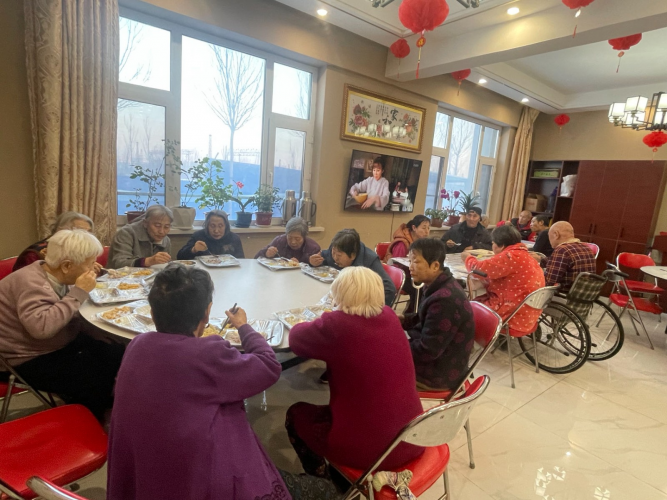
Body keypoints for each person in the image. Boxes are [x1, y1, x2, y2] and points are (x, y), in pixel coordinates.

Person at [107, 264, 288, 500]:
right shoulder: (207, 353)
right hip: (192, 479)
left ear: (152, 313)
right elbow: (269, 366)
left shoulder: (136, 345)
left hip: (143, 474)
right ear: (207, 312)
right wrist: (243, 326)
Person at [286, 267, 424, 478]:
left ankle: (324, 479)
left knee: (296, 415)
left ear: (339, 296)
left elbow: (295, 339)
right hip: (413, 437)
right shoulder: (390, 316)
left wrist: (327, 315)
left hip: (370, 452)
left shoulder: (337, 325)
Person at [0, 230, 124, 420]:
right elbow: (41, 328)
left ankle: (102, 403)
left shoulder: (56, 274)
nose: (94, 268)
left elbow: (67, 312)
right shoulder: (31, 283)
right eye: (90, 264)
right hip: (24, 355)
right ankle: (87, 424)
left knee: (115, 351)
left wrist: (93, 331)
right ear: (67, 266)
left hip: (57, 340)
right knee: (93, 377)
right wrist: (79, 292)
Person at [403, 238, 475, 391]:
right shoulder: (436, 285)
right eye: (409, 261)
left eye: (415, 262)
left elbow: (427, 351)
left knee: (374, 360)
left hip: (438, 374)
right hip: (436, 360)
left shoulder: (444, 300)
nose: (410, 267)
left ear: (435, 265)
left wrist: (393, 345)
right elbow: (419, 319)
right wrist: (390, 319)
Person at [463, 225, 545, 334]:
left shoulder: (509, 256)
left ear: (501, 245)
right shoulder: (526, 255)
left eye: (493, 244)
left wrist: (467, 257)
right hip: (528, 315)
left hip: (511, 316)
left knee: (465, 307)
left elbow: (478, 270)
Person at [309, 229, 396, 306]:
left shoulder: (369, 261)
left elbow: (389, 289)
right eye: (333, 252)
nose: (335, 257)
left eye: (339, 255)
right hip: (336, 299)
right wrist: (313, 262)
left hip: (357, 306)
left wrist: (370, 309)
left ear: (353, 255)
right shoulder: (334, 250)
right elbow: (324, 258)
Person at [12, 211, 95, 272]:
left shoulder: (76, 249)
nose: (87, 237)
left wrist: (87, 267)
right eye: (81, 232)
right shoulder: (33, 255)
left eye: (89, 233)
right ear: (61, 230)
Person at [108, 205, 173, 269]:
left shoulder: (165, 240)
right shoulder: (126, 233)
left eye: (166, 227)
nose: (161, 231)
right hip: (118, 278)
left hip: (150, 278)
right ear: (145, 223)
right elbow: (119, 263)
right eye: (157, 225)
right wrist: (148, 261)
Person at [544, 221, 596, 292]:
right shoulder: (586, 248)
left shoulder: (562, 250)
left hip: (565, 294)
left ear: (556, 234)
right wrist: (542, 259)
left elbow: (549, 282)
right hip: (584, 294)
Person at [177, 210, 244, 260]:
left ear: (226, 226)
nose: (216, 230)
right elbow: (179, 257)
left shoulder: (234, 238)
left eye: (220, 226)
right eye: (212, 226)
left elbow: (241, 261)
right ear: (207, 225)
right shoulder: (198, 236)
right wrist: (193, 250)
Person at [254, 216, 320, 263]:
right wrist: (266, 254)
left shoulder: (313, 248)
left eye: (297, 239)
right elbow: (255, 259)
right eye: (290, 238)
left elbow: (320, 270)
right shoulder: (279, 241)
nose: (293, 242)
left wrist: (310, 264)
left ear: (304, 236)